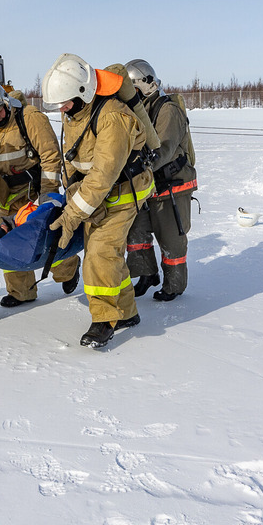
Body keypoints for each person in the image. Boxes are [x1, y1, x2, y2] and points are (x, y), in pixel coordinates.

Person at [41, 54, 154, 348]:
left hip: (125, 191)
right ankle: (127, 313)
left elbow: (103, 175)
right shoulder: (75, 113)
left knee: (100, 253)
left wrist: (71, 216)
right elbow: (76, 159)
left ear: (83, 92)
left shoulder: (112, 117)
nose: (61, 109)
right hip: (100, 194)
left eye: (64, 102)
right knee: (107, 253)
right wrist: (69, 191)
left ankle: (104, 320)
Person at [0, 81, 80, 306]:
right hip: (6, 196)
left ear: (5, 104)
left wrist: (47, 195)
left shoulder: (29, 118)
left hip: (35, 193)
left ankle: (68, 270)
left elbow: (50, 156)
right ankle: (21, 292)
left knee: (47, 240)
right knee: (9, 245)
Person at [124, 59, 198, 301]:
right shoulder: (138, 111)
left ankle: (174, 285)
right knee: (137, 232)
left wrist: (139, 167)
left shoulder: (167, 110)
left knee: (171, 240)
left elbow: (163, 150)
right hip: (147, 185)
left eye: (133, 89)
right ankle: (147, 274)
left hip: (171, 185)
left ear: (148, 84)